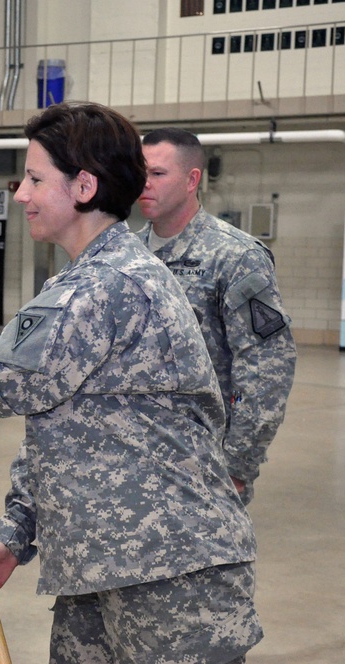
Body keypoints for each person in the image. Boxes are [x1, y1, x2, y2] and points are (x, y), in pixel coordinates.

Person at [0, 102, 262, 663]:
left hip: (170, 574)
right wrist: (16, 536)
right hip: (101, 564)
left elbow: (3, 380)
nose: (20, 195)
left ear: (84, 186)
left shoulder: (110, 283)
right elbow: (61, 428)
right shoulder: (83, 279)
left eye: (36, 180)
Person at [136, 128, 297, 506]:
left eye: (157, 174)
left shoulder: (234, 256)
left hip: (203, 463)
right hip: (135, 457)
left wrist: (238, 464)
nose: (144, 183)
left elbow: (267, 365)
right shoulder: (129, 253)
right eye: (139, 172)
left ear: (192, 179)